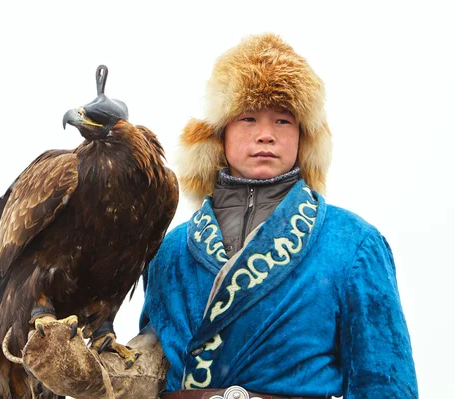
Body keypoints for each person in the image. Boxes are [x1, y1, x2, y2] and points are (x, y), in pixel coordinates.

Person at [22, 33, 418, 399]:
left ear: (304, 136)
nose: (266, 134)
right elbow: (157, 361)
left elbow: (385, 384)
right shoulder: (173, 248)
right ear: (218, 134)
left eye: (283, 119)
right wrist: (101, 377)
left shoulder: (352, 243)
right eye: (248, 118)